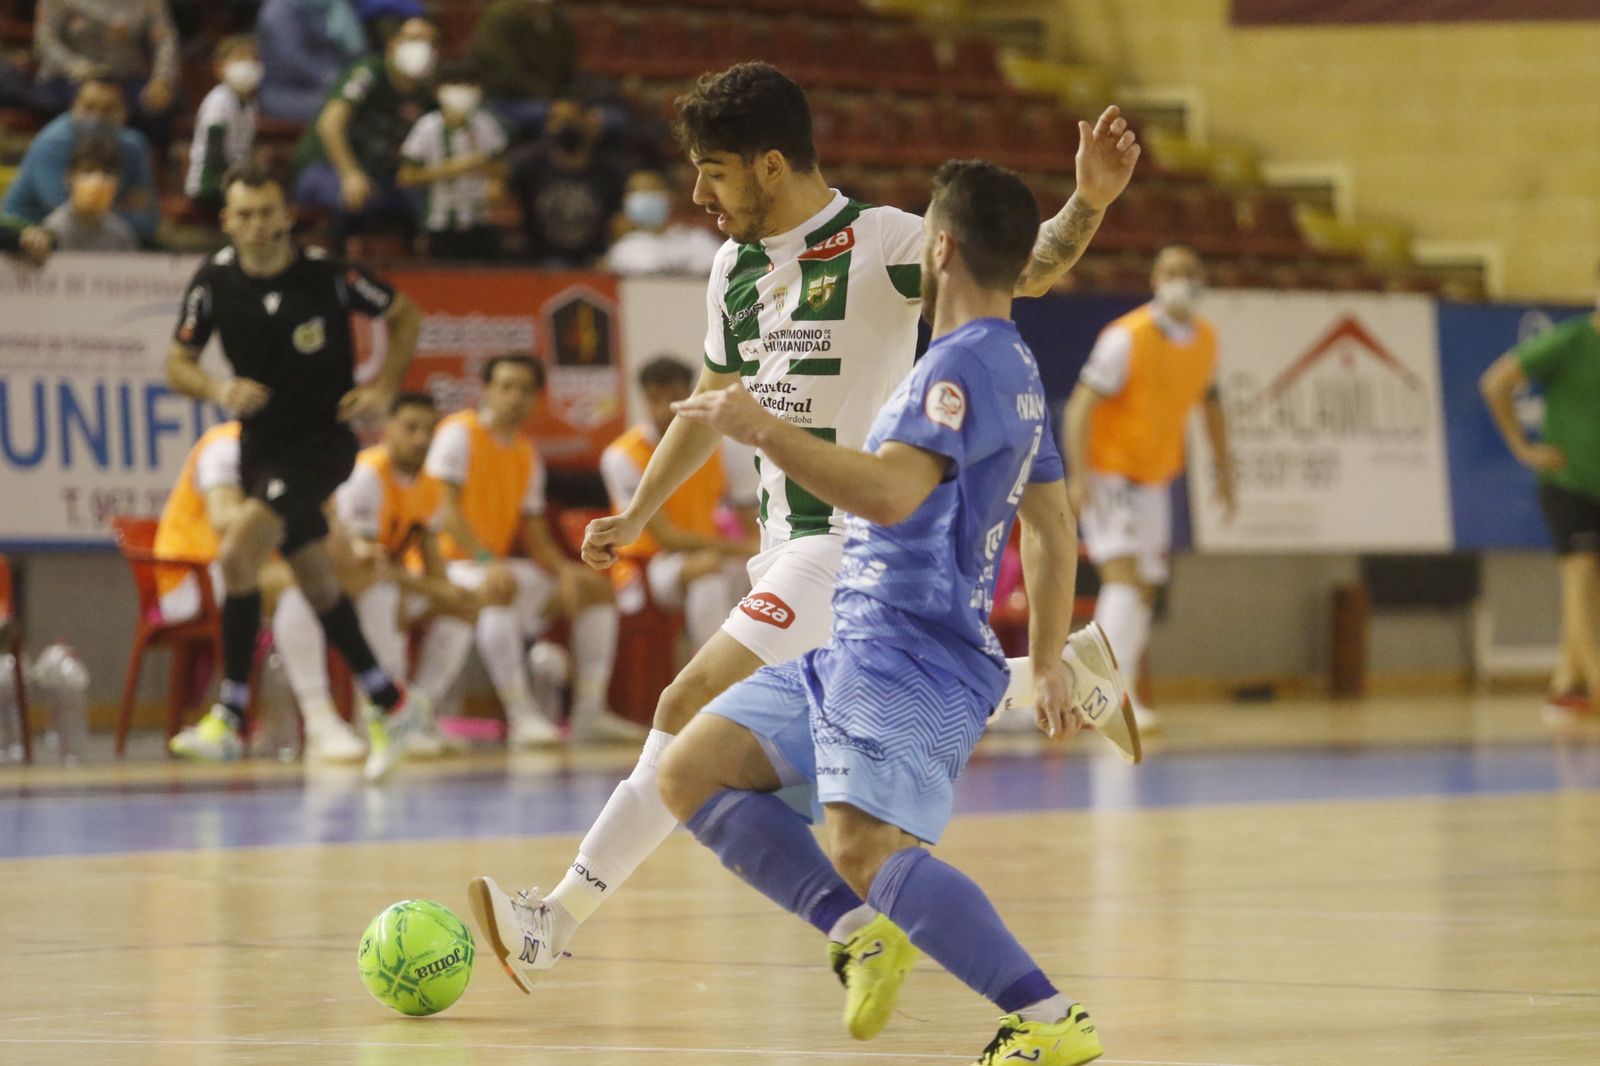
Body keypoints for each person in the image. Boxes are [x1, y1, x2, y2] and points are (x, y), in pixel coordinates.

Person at [466, 61, 1140, 988]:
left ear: (771, 165)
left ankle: (555, 916)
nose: (697, 193)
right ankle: (1055, 678)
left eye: (713, 171)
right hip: (779, 550)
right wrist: (637, 512)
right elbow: (710, 402)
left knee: (683, 710)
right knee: (796, 730)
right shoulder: (732, 269)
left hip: (848, 542)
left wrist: (1088, 203)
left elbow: (1023, 267)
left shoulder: (882, 240)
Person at [646, 157, 1112, 1064]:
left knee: (864, 846)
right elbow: (1055, 525)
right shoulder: (1013, 365)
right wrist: (1048, 659)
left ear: (939, 249)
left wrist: (765, 429)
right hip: (859, 638)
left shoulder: (962, 369)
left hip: (904, 650)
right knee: (692, 766)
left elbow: (895, 495)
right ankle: (860, 933)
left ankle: (1050, 1023)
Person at [163, 161, 426, 784]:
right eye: (243, 215)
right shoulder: (213, 282)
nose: (257, 225)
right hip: (262, 446)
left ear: (287, 215)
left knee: (237, 554)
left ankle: (227, 715)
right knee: (315, 579)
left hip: (322, 442)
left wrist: (384, 387)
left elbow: (405, 313)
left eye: (267, 212)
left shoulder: (329, 276)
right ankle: (392, 701)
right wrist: (216, 386)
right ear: (227, 221)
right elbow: (178, 361)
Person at [1061, 245, 1236, 733]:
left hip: (1157, 478)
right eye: (1171, 272)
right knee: (1122, 580)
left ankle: (1118, 690)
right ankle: (1103, 694)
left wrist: (1225, 470)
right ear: (1156, 279)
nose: (1180, 279)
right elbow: (1080, 407)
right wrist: (1079, 475)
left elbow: (1212, 406)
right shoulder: (1126, 337)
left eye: (1189, 271)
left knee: (1145, 589)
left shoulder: (1205, 340)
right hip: (1110, 472)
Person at [422, 353, 637, 746]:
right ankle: (521, 714)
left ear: (535, 398)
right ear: (487, 390)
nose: (514, 397)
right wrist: (487, 560)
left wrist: (566, 571)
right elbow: (445, 510)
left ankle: (589, 712)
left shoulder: (525, 452)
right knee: (498, 589)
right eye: (505, 387)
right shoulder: (458, 432)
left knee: (596, 589)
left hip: (493, 565)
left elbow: (535, 534)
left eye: (524, 389)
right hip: (445, 563)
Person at [272, 391, 479, 761]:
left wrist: (446, 592)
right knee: (381, 593)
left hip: (381, 579)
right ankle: (364, 714)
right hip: (341, 582)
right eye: (410, 428)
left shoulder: (429, 484)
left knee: (462, 603)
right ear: (387, 430)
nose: (421, 439)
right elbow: (365, 561)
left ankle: (417, 712)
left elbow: (429, 561)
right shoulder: (366, 473)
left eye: (429, 430)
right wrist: (422, 587)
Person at [1480, 277, 1600, 723]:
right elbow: (1496, 383)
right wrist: (1521, 447)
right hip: (1566, 481)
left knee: (1590, 586)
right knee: (1581, 572)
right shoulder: (1569, 342)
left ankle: (1567, 683)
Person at [600, 357, 757, 650]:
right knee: (708, 574)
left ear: (691, 395)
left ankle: (755, 669)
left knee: (766, 569)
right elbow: (667, 537)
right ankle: (712, 672)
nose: (665, 409)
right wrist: (742, 548)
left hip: (711, 549)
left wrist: (758, 551)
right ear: (645, 399)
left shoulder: (723, 444)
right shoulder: (622, 455)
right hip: (650, 562)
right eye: (656, 399)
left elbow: (749, 515)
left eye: (675, 398)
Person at [293, 16, 436, 251]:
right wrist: (350, 173)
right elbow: (330, 123)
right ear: (393, 45)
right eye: (413, 39)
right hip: (327, 167)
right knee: (355, 195)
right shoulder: (368, 72)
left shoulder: (425, 93)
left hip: (382, 173)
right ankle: (335, 260)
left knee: (422, 202)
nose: (422, 48)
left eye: (430, 42)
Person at [1, 76, 158, 244]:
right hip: (27, 232)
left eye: (108, 109)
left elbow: (147, 221)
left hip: (102, 234)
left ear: (125, 112)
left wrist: (96, 208)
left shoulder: (134, 145)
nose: (97, 117)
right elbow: (69, 209)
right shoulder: (52, 142)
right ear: (73, 107)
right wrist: (122, 206)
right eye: (89, 107)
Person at [397, 58, 508, 261]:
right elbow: (406, 177)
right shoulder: (427, 128)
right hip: (440, 225)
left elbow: (501, 169)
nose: (462, 91)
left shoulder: (486, 125)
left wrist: (494, 180)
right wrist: (452, 169)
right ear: (438, 90)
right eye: (454, 84)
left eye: (468, 85)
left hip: (481, 223)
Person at [33, 0, 179, 152]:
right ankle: (66, 163)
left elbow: (164, 40)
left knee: (159, 106)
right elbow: (45, 41)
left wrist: (162, 79)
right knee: (86, 110)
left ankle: (140, 166)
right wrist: (77, 68)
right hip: (69, 76)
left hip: (125, 77)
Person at [508, 96, 622, 268]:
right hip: (540, 265)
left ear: (591, 123)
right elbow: (499, 195)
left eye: (570, 120)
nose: (563, 127)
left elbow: (620, 221)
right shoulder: (528, 165)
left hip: (595, 263)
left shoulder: (612, 172)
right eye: (556, 120)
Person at [472, 0, 577, 138]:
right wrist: (553, 102)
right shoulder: (501, 17)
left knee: (602, 118)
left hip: (551, 99)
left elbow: (568, 71)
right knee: (558, 118)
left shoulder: (559, 20)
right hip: (506, 100)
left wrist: (571, 102)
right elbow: (504, 73)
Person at [256, 0, 367, 124]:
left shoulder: (332, 6)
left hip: (330, 87)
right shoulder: (277, 11)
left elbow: (355, 53)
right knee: (343, 110)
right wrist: (335, 79)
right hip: (288, 94)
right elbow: (293, 60)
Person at [185, 34, 261, 210]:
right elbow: (214, 154)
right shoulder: (218, 101)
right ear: (220, 67)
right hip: (210, 183)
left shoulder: (249, 105)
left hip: (235, 176)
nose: (248, 64)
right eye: (240, 58)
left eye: (252, 59)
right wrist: (237, 180)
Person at [604, 169, 722, 278]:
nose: (645, 196)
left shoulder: (698, 240)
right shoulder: (623, 249)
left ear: (671, 196)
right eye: (637, 190)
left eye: (651, 189)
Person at [41, 133, 138, 251]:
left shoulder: (122, 233)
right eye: (89, 170)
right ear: (69, 176)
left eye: (107, 172)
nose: (98, 179)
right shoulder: (53, 230)